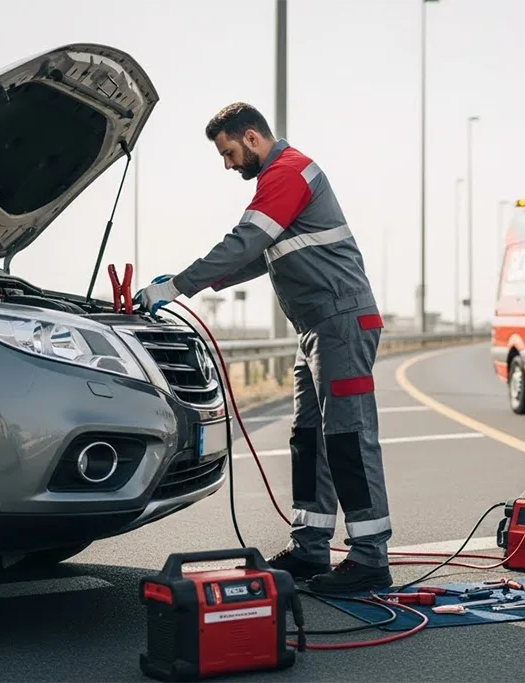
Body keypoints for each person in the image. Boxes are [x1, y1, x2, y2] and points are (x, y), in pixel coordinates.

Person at [134, 102, 393, 593]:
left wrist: (178, 286)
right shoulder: (280, 181)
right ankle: (312, 547)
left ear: (251, 138)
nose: (228, 165)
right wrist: (193, 282)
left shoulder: (289, 172)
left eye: (229, 153)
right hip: (315, 329)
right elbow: (257, 256)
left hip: (341, 323)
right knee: (308, 440)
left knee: (347, 438)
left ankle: (370, 558)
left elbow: (246, 240)